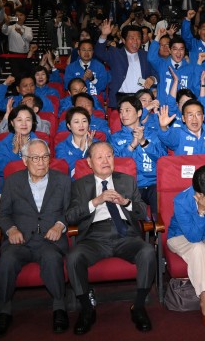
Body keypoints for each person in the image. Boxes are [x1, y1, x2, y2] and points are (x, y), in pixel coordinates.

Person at [65, 142, 155, 335]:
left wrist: (125, 202)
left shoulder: (127, 181)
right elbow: (71, 216)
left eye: (109, 156)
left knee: (148, 251)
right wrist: (95, 201)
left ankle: (138, 307)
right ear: (89, 162)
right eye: (100, 157)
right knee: (73, 257)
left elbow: (142, 213)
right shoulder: (80, 185)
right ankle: (86, 309)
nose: (106, 161)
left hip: (125, 235)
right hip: (94, 237)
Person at [0, 139, 71, 337]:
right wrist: (10, 229)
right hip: (20, 240)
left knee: (52, 259)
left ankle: (59, 307)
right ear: (25, 160)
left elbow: (71, 211)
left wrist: (60, 225)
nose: (41, 162)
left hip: (49, 239)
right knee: (6, 261)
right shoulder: (12, 182)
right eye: (35, 158)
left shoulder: (62, 180)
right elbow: (3, 213)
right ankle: (4, 310)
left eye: (45, 157)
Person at [166, 164, 205, 327]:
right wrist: (201, 212)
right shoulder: (181, 201)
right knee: (198, 248)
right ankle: (203, 298)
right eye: (204, 195)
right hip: (181, 237)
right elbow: (194, 237)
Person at [110, 96, 166, 218]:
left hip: (153, 183)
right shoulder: (115, 138)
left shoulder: (153, 134)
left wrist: (144, 142)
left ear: (139, 112)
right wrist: (131, 146)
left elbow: (163, 160)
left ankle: (158, 230)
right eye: (120, 111)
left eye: (127, 110)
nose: (123, 114)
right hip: (131, 185)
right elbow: (115, 164)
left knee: (159, 197)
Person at [95, 20, 158, 109]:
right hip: (120, 98)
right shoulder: (115, 53)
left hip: (140, 99)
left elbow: (156, 72)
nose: (135, 42)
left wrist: (152, 78)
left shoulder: (146, 55)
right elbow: (99, 53)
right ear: (124, 40)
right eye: (131, 38)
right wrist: (104, 35)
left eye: (138, 38)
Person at [0, 105, 43, 188]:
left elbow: (42, 169)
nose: (24, 124)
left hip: (36, 186)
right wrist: (14, 152)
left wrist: (25, 154)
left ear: (33, 122)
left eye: (28, 120)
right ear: (12, 123)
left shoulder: (41, 144)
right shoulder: (2, 144)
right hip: (10, 187)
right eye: (19, 120)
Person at [56, 107, 99, 175]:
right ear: (69, 126)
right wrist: (80, 150)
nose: (81, 125)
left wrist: (91, 148)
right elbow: (67, 168)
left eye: (84, 121)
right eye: (76, 122)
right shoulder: (62, 147)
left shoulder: (98, 144)